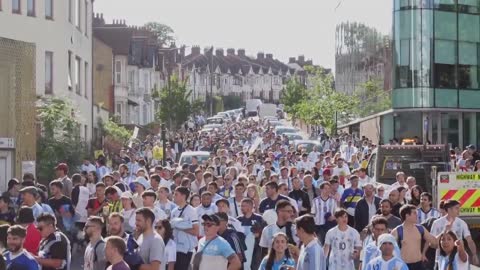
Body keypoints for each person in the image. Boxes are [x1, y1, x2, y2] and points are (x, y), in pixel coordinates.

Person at [431, 199, 478, 265]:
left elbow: (469, 240)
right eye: (457, 208)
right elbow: (432, 244)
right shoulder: (437, 223)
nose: (459, 210)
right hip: (441, 260)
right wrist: (444, 231)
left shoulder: (462, 223)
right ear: (449, 209)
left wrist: (474, 254)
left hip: (458, 260)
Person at [391, 204, 438, 270]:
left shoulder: (420, 228)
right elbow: (390, 250)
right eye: (414, 213)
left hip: (419, 265)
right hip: (403, 265)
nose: (417, 216)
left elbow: (434, 241)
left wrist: (444, 232)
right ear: (407, 215)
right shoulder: (397, 231)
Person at [170, 186, 199, 270]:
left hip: (186, 250)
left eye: (176, 194)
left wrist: (180, 226)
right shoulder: (174, 211)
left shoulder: (191, 211)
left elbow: (196, 231)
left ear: (183, 196)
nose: (173, 196)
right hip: (175, 248)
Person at [237, 198, 264, 270]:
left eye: (244, 206)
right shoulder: (238, 219)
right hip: (243, 249)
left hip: (257, 248)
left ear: (250, 207)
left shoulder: (259, 218)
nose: (241, 208)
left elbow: (265, 233)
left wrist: (259, 234)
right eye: (241, 206)